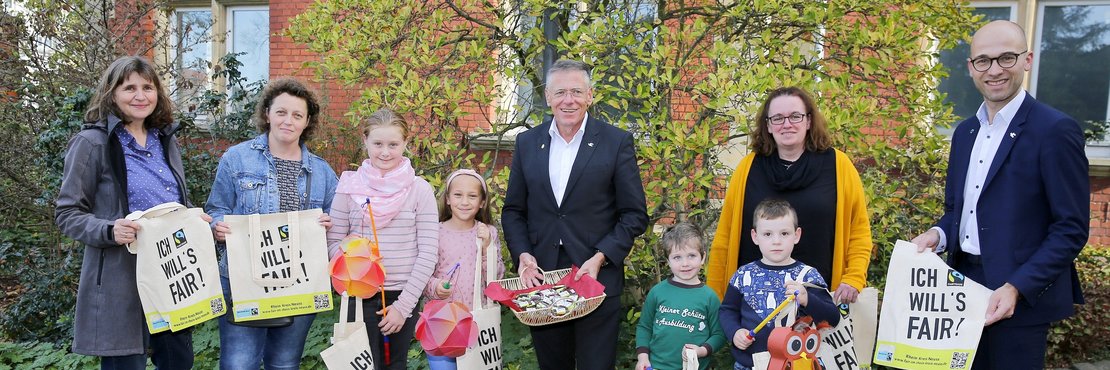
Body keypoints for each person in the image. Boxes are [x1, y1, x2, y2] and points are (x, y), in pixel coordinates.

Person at [910, 20, 1088, 369]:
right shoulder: (965, 132)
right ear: (970, 68)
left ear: (1027, 60)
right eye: (983, 61)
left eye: (1006, 58)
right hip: (960, 291)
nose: (994, 70)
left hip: (1018, 299)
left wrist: (1016, 287)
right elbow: (958, 212)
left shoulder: (1054, 130)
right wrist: (938, 234)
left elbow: (1070, 228)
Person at [55, 55, 203, 369]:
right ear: (111, 94)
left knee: (178, 362)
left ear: (158, 94)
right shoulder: (91, 143)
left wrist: (193, 219)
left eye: (148, 87)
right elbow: (67, 213)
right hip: (120, 278)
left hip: (171, 273)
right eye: (129, 88)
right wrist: (109, 230)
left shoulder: (165, 141)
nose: (140, 95)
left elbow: (175, 203)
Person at [502, 59, 649, 369]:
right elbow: (514, 211)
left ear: (590, 95)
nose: (568, 100)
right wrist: (524, 256)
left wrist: (601, 258)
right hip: (543, 282)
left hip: (596, 278)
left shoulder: (615, 142)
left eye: (576, 92)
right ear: (547, 97)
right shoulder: (527, 143)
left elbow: (634, 214)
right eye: (560, 92)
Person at [205, 78, 338, 370]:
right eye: (281, 112)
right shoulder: (237, 158)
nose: (288, 121)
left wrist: (328, 224)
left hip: (299, 281)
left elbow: (338, 222)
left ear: (307, 122)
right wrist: (218, 227)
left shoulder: (323, 172)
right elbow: (217, 208)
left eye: (297, 115)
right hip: (244, 279)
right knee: (239, 364)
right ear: (267, 114)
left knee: (284, 364)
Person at [705, 86, 872, 305]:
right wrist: (715, 297)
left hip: (820, 303)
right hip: (753, 308)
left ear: (809, 121)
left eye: (795, 116)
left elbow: (859, 231)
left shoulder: (838, 166)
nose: (787, 124)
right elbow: (725, 238)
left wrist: (854, 277)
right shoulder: (748, 168)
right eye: (778, 118)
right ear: (768, 125)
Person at [327, 108, 439, 370]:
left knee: (394, 365)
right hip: (358, 296)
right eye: (377, 143)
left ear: (405, 144)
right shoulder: (348, 187)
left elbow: (428, 253)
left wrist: (403, 306)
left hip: (403, 294)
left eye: (393, 144)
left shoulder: (419, 189)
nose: (385, 152)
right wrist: (354, 260)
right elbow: (333, 243)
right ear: (364, 141)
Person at [718, 199, 840, 370]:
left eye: (784, 234)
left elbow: (833, 318)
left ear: (796, 235)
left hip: (797, 365)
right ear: (755, 237)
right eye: (768, 234)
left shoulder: (808, 276)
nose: (776, 241)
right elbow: (727, 310)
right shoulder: (743, 274)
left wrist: (807, 299)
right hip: (749, 365)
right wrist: (734, 332)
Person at [423, 169, 505, 370]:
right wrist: (435, 287)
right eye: (458, 195)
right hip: (441, 322)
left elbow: (496, 279)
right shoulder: (435, 231)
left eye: (472, 196)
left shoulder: (488, 233)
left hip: (477, 323)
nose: (465, 202)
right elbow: (422, 272)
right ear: (448, 199)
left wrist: (487, 247)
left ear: (482, 202)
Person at [635, 223, 726, 370]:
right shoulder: (657, 292)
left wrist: (702, 351)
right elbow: (644, 327)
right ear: (668, 261)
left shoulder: (709, 297)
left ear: (703, 257)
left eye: (691, 256)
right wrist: (643, 357)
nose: (685, 264)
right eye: (677, 257)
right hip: (656, 366)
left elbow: (719, 334)